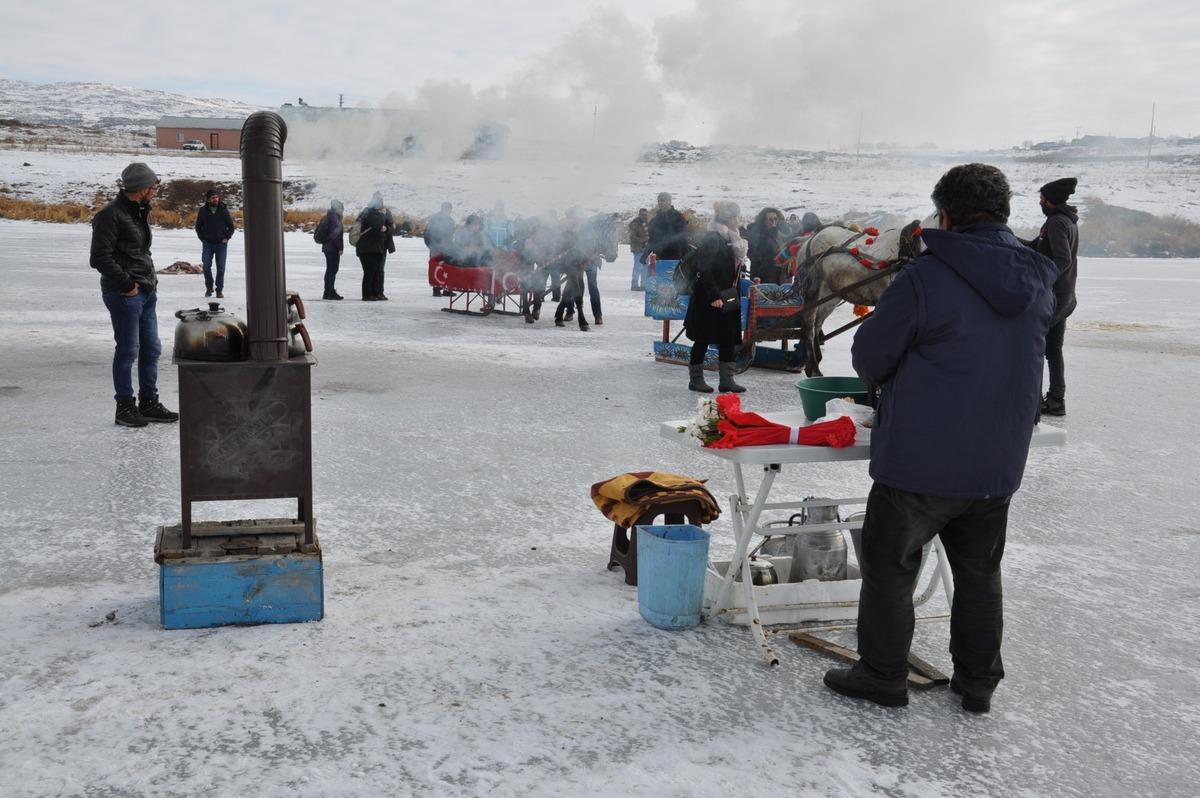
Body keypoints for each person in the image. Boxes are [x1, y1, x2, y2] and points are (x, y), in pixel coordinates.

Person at [822, 163, 1057, 714]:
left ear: (945, 215)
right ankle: (977, 684)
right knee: (979, 574)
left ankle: (882, 675)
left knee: (890, 566)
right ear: (1003, 214)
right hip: (997, 462)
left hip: (920, 463)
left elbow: (870, 357)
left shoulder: (926, 277)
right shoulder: (1039, 278)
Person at [90, 162, 179, 427]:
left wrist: (148, 282)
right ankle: (124, 407)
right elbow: (99, 258)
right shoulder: (110, 215)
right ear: (142, 189)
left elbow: (139, 251)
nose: (155, 191)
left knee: (151, 349)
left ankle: (149, 402)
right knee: (128, 350)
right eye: (153, 187)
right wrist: (127, 285)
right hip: (125, 294)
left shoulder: (138, 211)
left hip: (146, 291)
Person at [1025, 177, 1079, 416]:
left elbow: (1063, 259)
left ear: (1050, 200)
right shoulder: (1063, 221)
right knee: (1053, 349)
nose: (1040, 202)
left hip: (1056, 297)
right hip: (1066, 296)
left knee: (1033, 344)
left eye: (1041, 198)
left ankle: (1033, 403)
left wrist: (1043, 281)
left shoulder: (1057, 223)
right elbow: (1035, 246)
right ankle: (1056, 401)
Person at [684, 201, 748, 394]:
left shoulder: (731, 239)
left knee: (728, 338)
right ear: (729, 219)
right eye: (737, 216)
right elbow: (704, 268)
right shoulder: (713, 238)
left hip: (728, 295)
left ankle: (727, 380)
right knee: (703, 338)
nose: (739, 220)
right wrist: (713, 296)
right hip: (709, 298)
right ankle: (696, 380)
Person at [194, 188, 236, 298]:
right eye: (213, 198)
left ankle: (219, 289)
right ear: (208, 199)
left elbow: (231, 227)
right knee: (206, 266)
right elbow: (198, 227)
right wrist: (202, 238)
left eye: (217, 197)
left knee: (221, 267)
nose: (216, 199)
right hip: (208, 243)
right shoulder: (203, 211)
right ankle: (209, 287)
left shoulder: (223, 210)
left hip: (221, 244)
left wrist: (227, 237)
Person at [355, 192, 395, 301]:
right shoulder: (370, 213)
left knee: (378, 270)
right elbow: (377, 226)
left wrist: (387, 228)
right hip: (371, 247)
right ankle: (370, 293)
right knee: (371, 271)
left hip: (380, 246)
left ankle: (377, 292)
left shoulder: (385, 212)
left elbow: (390, 226)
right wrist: (384, 226)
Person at [745, 207, 785, 284]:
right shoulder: (756, 234)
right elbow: (753, 254)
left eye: (775, 219)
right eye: (770, 219)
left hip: (777, 274)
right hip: (761, 275)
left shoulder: (778, 233)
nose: (773, 222)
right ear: (763, 220)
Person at [424, 201, 456, 296]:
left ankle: (447, 289)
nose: (449, 211)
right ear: (443, 209)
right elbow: (427, 233)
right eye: (447, 209)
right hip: (436, 247)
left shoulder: (451, 221)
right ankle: (436, 289)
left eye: (450, 209)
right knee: (436, 267)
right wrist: (430, 245)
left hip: (447, 248)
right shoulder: (434, 219)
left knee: (447, 267)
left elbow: (451, 235)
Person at [648, 192, 690, 261]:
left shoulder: (678, 217)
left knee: (672, 272)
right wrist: (646, 254)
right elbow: (652, 238)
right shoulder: (655, 219)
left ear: (669, 201)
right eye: (658, 201)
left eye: (662, 200)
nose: (660, 203)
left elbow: (683, 237)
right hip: (659, 256)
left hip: (674, 255)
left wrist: (686, 255)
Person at [319, 199, 344, 300]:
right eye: (342, 209)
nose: (342, 211)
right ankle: (329, 292)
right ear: (337, 208)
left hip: (327, 247)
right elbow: (336, 235)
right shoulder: (334, 218)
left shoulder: (328, 216)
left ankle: (328, 291)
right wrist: (340, 248)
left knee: (330, 269)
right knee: (332, 270)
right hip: (332, 248)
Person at [628, 207, 650, 290]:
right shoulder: (635, 224)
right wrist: (643, 240)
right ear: (639, 214)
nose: (643, 216)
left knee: (645, 268)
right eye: (642, 214)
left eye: (645, 214)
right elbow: (632, 237)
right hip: (638, 249)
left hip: (646, 249)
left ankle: (643, 285)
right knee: (638, 267)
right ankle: (634, 285)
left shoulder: (647, 223)